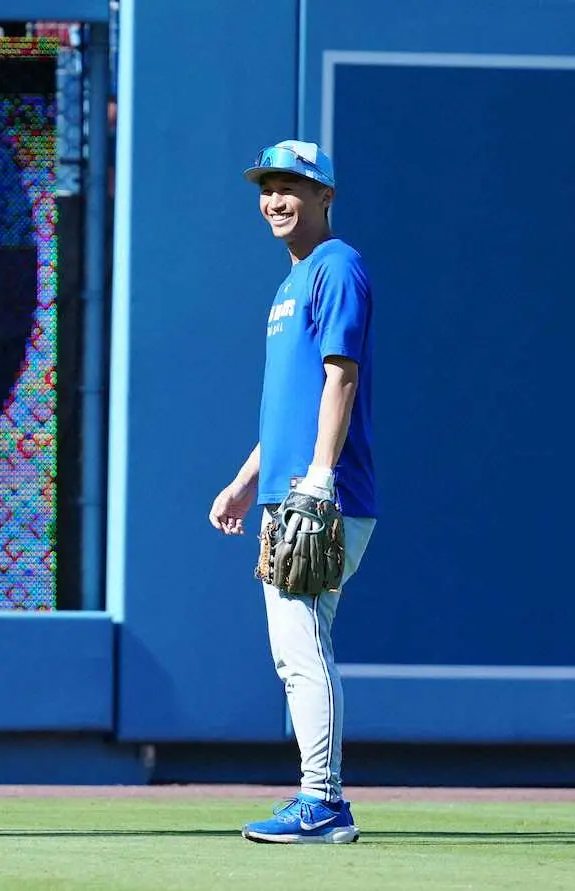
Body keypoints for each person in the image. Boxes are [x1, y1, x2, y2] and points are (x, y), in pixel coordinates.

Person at [208, 140, 377, 844]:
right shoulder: (291, 282)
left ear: (325, 197)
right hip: (289, 488)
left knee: (303, 643)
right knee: (297, 645)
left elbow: (341, 377)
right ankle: (317, 793)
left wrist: (317, 478)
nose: (276, 200)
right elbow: (293, 401)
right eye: (268, 187)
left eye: (293, 188)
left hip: (322, 493)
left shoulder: (337, 266)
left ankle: (324, 800)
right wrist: (248, 480)